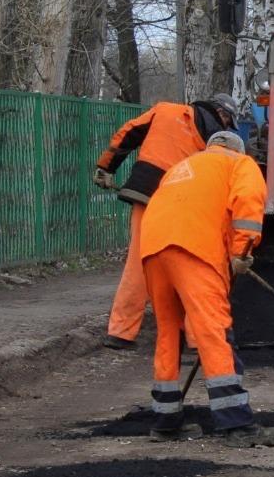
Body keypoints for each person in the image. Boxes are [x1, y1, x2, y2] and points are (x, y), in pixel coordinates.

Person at [137, 130, 274, 445]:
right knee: (213, 332)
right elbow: (247, 203)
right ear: (236, 148)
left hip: (152, 250)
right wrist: (241, 253)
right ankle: (237, 425)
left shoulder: (184, 167)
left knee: (168, 334)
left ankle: (165, 422)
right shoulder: (239, 163)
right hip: (194, 249)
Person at [93, 94, 238, 350]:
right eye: (228, 123)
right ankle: (197, 340)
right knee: (191, 267)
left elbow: (127, 133)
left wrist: (106, 167)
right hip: (183, 206)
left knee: (139, 263)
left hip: (145, 192)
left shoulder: (165, 110)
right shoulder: (217, 142)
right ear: (223, 115)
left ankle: (120, 332)